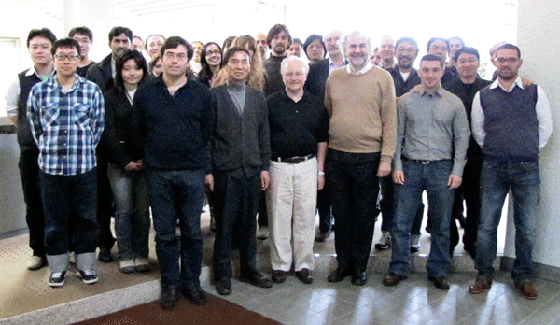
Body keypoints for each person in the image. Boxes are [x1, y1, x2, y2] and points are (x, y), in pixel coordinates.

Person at [135, 36, 215, 309]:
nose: (175, 60)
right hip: (158, 174)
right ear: (161, 58)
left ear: (188, 59)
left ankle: (192, 281)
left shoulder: (202, 94)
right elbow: (139, 132)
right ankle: (169, 283)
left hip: (192, 172)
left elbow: (206, 132)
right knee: (165, 234)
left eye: (181, 55)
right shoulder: (146, 93)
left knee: (193, 232)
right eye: (170, 54)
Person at [469, 44, 552, 300]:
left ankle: (523, 276)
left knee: (526, 227)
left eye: (511, 60)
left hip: (527, 168)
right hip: (493, 167)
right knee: (486, 225)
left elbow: (545, 128)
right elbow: (478, 131)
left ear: (519, 62)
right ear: (494, 62)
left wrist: (523, 149)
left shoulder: (534, 91)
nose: (505, 64)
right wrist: (500, 149)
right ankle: (484, 273)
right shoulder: (483, 95)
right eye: (501, 59)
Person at [383, 54, 469, 290]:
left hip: (442, 168)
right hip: (409, 167)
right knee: (401, 222)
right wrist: (397, 166)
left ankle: (438, 270)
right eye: (426, 70)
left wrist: (457, 170)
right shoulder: (406, 101)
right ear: (419, 71)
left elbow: (462, 139)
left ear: (442, 71)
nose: (430, 74)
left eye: (435, 69)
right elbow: (396, 136)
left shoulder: (454, 102)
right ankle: (398, 267)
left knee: (441, 224)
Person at [27, 37, 105, 288]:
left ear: (79, 57)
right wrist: (50, 150)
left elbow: (97, 127)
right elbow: (36, 128)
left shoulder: (91, 90)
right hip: (50, 169)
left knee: (86, 218)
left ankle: (85, 267)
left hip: (83, 167)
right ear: (53, 58)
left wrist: (82, 150)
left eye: (72, 55)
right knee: (54, 220)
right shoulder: (39, 91)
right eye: (61, 56)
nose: (66, 61)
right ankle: (58, 269)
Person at [325, 31, 397, 286]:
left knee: (364, 215)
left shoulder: (383, 77)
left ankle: (360, 266)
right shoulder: (334, 77)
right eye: (352, 46)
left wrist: (386, 158)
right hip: (337, 157)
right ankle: (343, 264)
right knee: (341, 215)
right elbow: (329, 112)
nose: (357, 50)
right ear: (344, 50)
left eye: (362, 46)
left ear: (370, 48)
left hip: (369, 158)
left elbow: (390, 120)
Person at [206, 47, 273, 296]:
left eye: (243, 62)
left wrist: (265, 166)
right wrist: (208, 170)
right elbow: (207, 138)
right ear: (226, 66)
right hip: (226, 172)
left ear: (249, 66)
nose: (239, 66)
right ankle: (222, 274)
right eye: (233, 62)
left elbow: (263, 134)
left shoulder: (257, 98)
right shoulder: (214, 97)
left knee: (249, 225)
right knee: (225, 225)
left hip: (252, 171)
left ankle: (249, 269)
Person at [267, 56, 329, 285]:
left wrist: (320, 171)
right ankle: (280, 264)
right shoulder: (270, 103)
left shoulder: (316, 104)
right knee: (278, 216)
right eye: (289, 74)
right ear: (283, 77)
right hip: (278, 166)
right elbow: (264, 138)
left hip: (308, 165)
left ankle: (304, 264)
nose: (294, 78)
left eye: (298, 74)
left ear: (305, 76)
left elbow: (322, 140)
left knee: (305, 216)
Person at [5, 27, 56, 271]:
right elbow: (14, 114)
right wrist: (32, 133)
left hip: (60, 153)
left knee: (59, 203)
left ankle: (60, 250)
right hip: (31, 152)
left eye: (44, 46)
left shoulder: (63, 76)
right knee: (34, 202)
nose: (39, 51)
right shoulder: (20, 80)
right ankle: (38, 251)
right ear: (29, 50)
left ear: (53, 50)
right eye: (35, 46)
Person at [99, 49, 150, 274]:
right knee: (123, 210)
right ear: (119, 71)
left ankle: (141, 253)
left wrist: (145, 159)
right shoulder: (109, 95)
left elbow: (157, 130)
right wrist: (125, 161)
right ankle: (126, 253)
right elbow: (106, 132)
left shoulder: (152, 93)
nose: (132, 73)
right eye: (126, 68)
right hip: (119, 164)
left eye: (137, 68)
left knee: (141, 211)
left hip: (147, 162)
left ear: (143, 70)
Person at [87, 26, 133, 263]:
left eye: (126, 40)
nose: (121, 45)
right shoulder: (96, 70)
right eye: (117, 40)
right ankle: (105, 243)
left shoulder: (138, 68)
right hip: (103, 145)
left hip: (131, 148)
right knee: (102, 199)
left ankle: (134, 246)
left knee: (128, 204)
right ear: (110, 43)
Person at [442, 47, 492, 258]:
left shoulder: (489, 88)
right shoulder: (446, 88)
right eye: (462, 60)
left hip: (479, 154)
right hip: (450, 154)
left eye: (472, 60)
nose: (467, 64)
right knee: (449, 202)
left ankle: (471, 241)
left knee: (476, 201)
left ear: (478, 62)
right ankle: (449, 241)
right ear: (455, 63)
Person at [376, 36, 422, 251]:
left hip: (416, 143)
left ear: (416, 53)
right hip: (387, 141)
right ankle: (386, 231)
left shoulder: (423, 76)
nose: (405, 53)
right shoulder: (384, 75)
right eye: (401, 49)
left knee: (414, 193)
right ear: (395, 52)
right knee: (387, 193)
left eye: (409, 50)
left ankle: (414, 233)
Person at [303, 29, 347, 242]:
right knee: (320, 177)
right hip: (320, 130)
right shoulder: (317, 68)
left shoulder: (354, 66)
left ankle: (341, 222)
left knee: (339, 181)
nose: (332, 43)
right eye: (328, 40)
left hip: (349, 132)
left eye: (336, 39)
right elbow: (309, 97)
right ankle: (324, 224)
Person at [263, 24, 291, 97]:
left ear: (288, 42)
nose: (279, 41)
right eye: (276, 38)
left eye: (284, 38)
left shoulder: (296, 66)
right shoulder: (262, 67)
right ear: (269, 42)